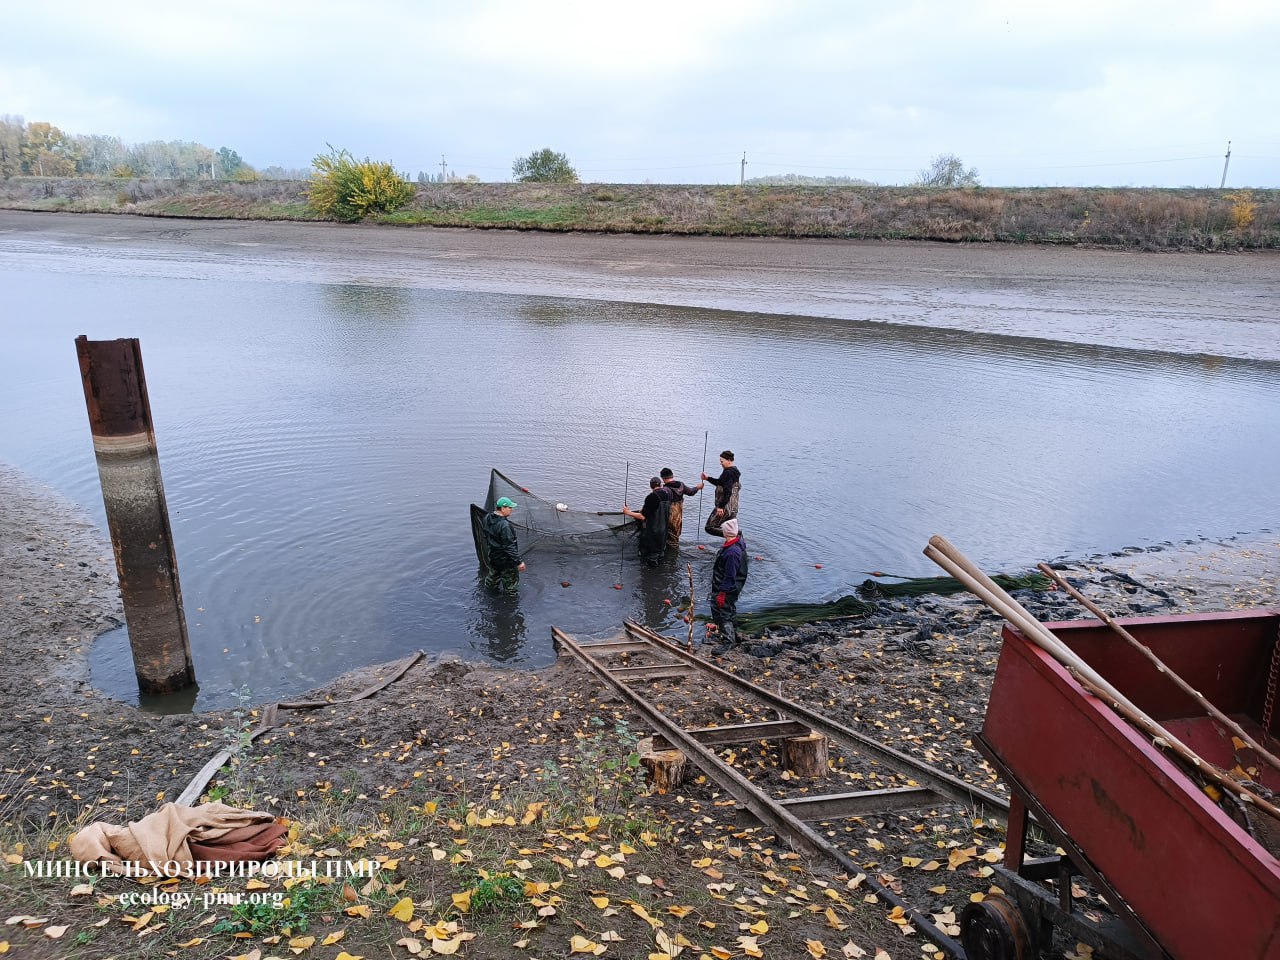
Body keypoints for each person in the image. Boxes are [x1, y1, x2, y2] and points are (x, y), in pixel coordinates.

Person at [709, 517, 749, 649]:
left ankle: (728, 642)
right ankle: (735, 634)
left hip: (727, 587)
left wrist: (722, 593)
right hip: (734, 587)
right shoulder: (737, 545)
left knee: (722, 612)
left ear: (726, 533)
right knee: (729, 608)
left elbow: (730, 575)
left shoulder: (732, 552)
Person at [622, 477, 671, 567]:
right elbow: (656, 509)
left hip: (653, 530)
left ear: (651, 486)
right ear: (661, 485)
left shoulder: (652, 497)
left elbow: (642, 516)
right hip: (664, 529)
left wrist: (627, 512)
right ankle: (660, 573)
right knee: (660, 553)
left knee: (651, 556)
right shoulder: (667, 494)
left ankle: (651, 576)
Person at [481, 496, 526, 594]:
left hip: (493, 558)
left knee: (491, 582)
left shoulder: (487, 517)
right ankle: (510, 605)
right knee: (511, 588)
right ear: (503, 508)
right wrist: (519, 562)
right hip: (506, 562)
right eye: (510, 508)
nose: (511, 510)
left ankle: (489, 598)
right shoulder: (505, 525)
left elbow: (485, 535)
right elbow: (509, 547)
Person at [701, 450, 741, 538]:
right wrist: (708, 478)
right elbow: (721, 483)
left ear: (729, 460)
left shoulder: (728, 473)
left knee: (709, 527)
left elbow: (727, 491)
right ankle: (734, 541)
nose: (721, 463)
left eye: (722, 461)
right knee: (730, 528)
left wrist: (720, 507)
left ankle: (736, 536)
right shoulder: (734, 471)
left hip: (725, 507)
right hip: (733, 508)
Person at [659, 467, 703, 547]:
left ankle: (670, 553)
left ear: (663, 478)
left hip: (669, 516)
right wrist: (698, 487)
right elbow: (691, 492)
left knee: (668, 536)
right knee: (676, 535)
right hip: (678, 516)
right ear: (672, 476)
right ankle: (675, 550)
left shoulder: (665, 489)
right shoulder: (681, 485)